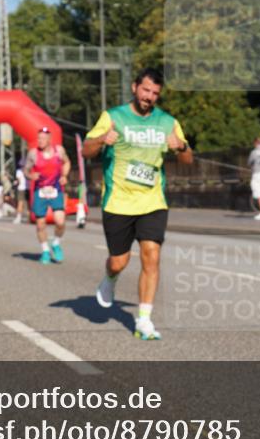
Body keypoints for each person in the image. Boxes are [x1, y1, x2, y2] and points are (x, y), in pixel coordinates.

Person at [82, 68, 193, 340]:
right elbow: (86, 151)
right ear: (134, 87)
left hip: (152, 200)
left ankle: (144, 320)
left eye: (155, 93)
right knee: (119, 262)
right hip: (118, 201)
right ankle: (110, 279)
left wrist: (180, 146)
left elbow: (188, 160)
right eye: (145, 90)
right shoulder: (113, 117)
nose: (149, 97)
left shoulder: (168, 122)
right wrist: (101, 140)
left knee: (151, 256)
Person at [24, 126, 71, 264]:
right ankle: (45, 250)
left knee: (60, 222)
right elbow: (26, 170)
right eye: (38, 138)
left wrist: (64, 175)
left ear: (50, 139)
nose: (40, 141)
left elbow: (67, 162)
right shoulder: (33, 153)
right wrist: (31, 175)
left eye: (43, 138)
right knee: (40, 224)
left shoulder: (59, 151)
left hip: (56, 189)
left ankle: (56, 243)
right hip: (40, 191)